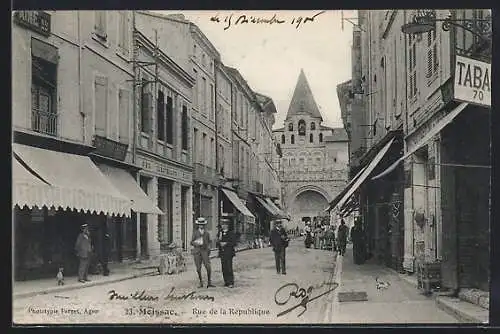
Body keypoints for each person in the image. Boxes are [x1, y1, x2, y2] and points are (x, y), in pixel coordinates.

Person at [191, 217, 215, 288]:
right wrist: (197, 243)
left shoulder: (207, 233)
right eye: (200, 224)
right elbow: (191, 242)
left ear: (204, 225)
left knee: (208, 267)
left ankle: (209, 282)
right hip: (197, 252)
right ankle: (201, 282)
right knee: (198, 268)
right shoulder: (195, 233)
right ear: (198, 225)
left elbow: (209, 242)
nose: (201, 226)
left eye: (202, 224)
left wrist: (209, 248)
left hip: (205, 251)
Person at [217, 218, 236, 288]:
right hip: (222, 253)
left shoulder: (231, 233)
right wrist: (219, 242)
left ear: (227, 226)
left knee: (229, 267)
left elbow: (234, 243)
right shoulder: (220, 233)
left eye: (225, 225)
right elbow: (217, 242)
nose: (223, 226)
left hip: (229, 253)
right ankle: (226, 281)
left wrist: (226, 243)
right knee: (224, 267)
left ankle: (231, 282)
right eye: (222, 224)